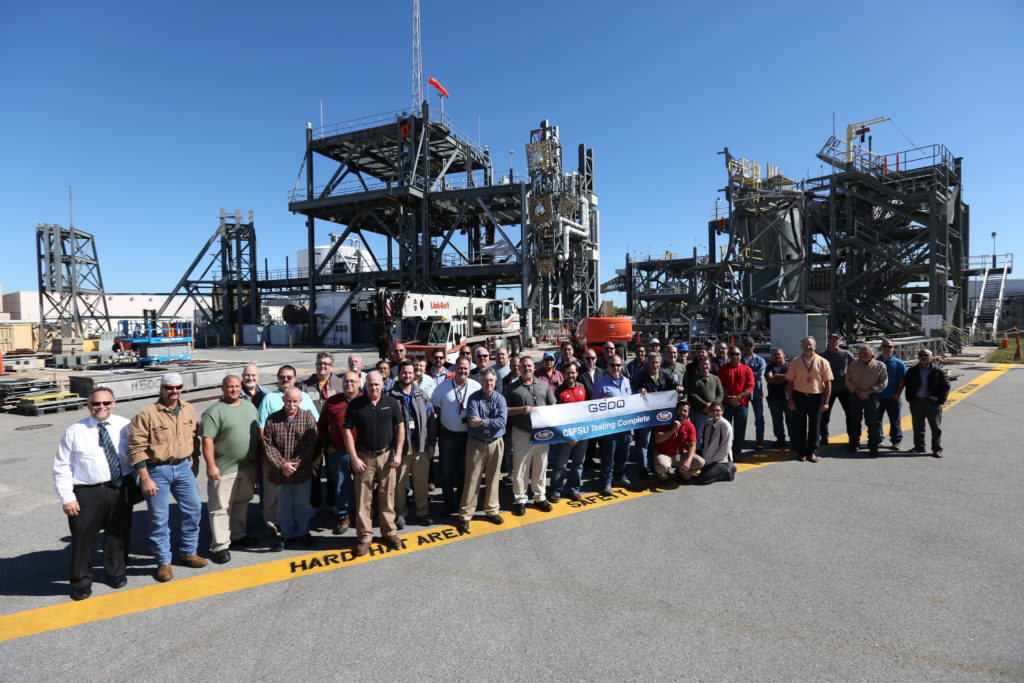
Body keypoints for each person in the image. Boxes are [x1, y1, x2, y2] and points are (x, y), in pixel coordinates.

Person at [53, 386, 135, 600]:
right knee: (83, 538)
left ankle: (116, 572)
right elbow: (62, 466)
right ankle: (81, 582)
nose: (101, 407)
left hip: (119, 487)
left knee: (117, 535)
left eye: (106, 403)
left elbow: (136, 455)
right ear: (88, 405)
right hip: (87, 492)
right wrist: (67, 497)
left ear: (113, 404)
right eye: (96, 403)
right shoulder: (75, 431)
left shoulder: (125, 426)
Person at [129, 372, 206, 582]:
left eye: (178, 387)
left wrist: (196, 462)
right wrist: (144, 477)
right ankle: (164, 562)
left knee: (194, 510)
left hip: (183, 467)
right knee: (158, 518)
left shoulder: (188, 408)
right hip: (157, 471)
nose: (174, 391)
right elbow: (136, 448)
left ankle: (189, 552)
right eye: (170, 388)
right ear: (161, 389)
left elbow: (194, 439)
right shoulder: (147, 415)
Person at [342, 371, 406, 556]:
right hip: (364, 456)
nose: (374, 387)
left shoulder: (391, 403)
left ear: (383, 384)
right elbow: (346, 430)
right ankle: (364, 537)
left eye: (377, 384)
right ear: (365, 385)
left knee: (387, 496)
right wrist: (353, 457)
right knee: (363, 499)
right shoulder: (356, 404)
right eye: (370, 384)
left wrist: (398, 453)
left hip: (387, 456)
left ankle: (389, 532)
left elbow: (400, 427)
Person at [199, 375, 259, 565]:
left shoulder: (250, 407)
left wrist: (256, 465)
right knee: (220, 508)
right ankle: (220, 545)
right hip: (224, 468)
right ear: (222, 388)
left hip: (247, 466)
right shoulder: (214, 411)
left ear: (240, 387)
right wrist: (211, 465)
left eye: (236, 386)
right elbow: (207, 440)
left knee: (242, 502)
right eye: (229, 386)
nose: (233, 389)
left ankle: (238, 535)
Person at [257, 365, 319, 538]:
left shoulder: (307, 418)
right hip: (280, 470)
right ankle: (287, 534)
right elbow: (268, 444)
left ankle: (303, 531)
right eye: (288, 401)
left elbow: (310, 442)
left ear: (300, 401)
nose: (291, 404)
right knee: (283, 505)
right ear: (283, 400)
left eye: (294, 401)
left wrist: (296, 463)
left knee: (302, 503)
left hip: (301, 469)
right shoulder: (272, 419)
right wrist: (282, 464)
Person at [457, 368, 507, 531]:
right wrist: (487, 421)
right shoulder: (473, 398)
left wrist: (483, 421)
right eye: (485, 380)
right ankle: (465, 515)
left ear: (495, 381)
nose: (489, 383)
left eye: (491, 380)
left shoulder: (500, 398)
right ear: (481, 381)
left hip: (495, 442)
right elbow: (472, 421)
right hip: (476, 444)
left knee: (493, 478)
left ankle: (492, 510)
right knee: (472, 479)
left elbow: (501, 422)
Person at [505, 355, 557, 514]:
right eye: (523, 366)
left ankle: (539, 497)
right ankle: (520, 499)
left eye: (529, 366)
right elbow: (504, 410)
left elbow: (553, 406)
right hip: (522, 433)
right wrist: (521, 410)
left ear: (534, 368)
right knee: (521, 467)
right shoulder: (512, 388)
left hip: (542, 434)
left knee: (541, 465)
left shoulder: (544, 384)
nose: (527, 369)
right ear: (518, 369)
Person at [389, 360, 437, 528]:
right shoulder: (390, 396)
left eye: (410, 372)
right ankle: (400, 514)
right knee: (399, 484)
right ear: (398, 374)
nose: (407, 375)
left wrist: (431, 444)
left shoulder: (421, 394)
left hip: (420, 447)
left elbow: (431, 421)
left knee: (421, 482)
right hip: (400, 449)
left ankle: (422, 511)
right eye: (404, 372)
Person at [431, 357, 480, 517]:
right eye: (460, 368)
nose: (463, 371)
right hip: (448, 436)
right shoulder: (443, 387)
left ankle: (461, 501)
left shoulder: (476, 386)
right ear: (454, 369)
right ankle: (448, 502)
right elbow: (436, 407)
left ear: (469, 370)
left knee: (465, 471)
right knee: (446, 471)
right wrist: (449, 419)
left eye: (466, 368)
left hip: (469, 436)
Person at [317, 371, 362, 535]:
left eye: (352, 381)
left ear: (359, 383)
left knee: (362, 485)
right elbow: (321, 425)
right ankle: (345, 516)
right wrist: (327, 445)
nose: (348, 384)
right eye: (345, 381)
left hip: (361, 453)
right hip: (339, 452)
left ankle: (362, 515)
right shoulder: (332, 402)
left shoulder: (366, 400)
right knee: (342, 486)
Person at [300, 351, 345, 511]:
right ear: (316, 365)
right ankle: (315, 503)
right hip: (312, 435)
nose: (323, 366)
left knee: (334, 469)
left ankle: (333, 502)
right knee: (313, 470)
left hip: (334, 434)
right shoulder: (305, 385)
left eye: (326, 363)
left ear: (331, 366)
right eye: (320, 363)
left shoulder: (340, 384)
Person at [630, 352, 681, 478]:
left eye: (657, 362)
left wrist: (678, 386)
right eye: (652, 362)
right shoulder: (641, 375)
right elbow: (631, 390)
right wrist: (638, 391)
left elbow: (674, 383)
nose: (655, 365)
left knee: (656, 441)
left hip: (660, 415)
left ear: (660, 362)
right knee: (644, 441)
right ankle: (643, 467)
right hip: (646, 414)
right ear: (648, 362)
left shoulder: (664, 373)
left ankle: (654, 465)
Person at [785, 336, 834, 462]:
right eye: (805, 345)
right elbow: (790, 383)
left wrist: (826, 401)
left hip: (816, 397)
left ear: (815, 346)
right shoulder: (795, 362)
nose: (808, 347)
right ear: (801, 347)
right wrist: (790, 400)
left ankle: (812, 452)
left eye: (810, 345)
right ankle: (801, 452)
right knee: (799, 426)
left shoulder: (823, 362)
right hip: (799, 396)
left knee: (814, 426)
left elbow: (828, 383)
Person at [549, 363, 589, 502]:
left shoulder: (582, 387)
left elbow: (588, 409)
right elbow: (557, 418)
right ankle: (556, 491)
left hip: (582, 434)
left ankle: (574, 489)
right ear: (563, 374)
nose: (570, 375)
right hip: (565, 436)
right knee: (560, 466)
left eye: (573, 373)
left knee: (578, 464)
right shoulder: (558, 392)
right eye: (567, 373)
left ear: (577, 373)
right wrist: (567, 435)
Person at [593, 355, 632, 494]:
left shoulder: (626, 381)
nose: (616, 368)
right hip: (610, 427)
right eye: (612, 365)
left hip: (626, 425)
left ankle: (620, 477)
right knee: (608, 456)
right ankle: (606, 482)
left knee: (624, 453)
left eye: (618, 365)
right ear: (607, 367)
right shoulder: (601, 384)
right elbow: (595, 409)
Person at [904, 348, 949, 458]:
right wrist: (910, 399)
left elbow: (946, 387)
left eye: (926, 355)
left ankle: (937, 449)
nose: (923, 357)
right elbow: (908, 386)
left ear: (931, 357)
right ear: (918, 357)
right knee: (918, 427)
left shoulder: (938, 371)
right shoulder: (912, 371)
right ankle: (919, 447)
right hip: (917, 403)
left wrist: (940, 401)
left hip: (932, 403)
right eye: (920, 355)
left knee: (935, 428)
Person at [844, 344, 888, 457]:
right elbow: (848, 380)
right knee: (854, 422)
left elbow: (884, 382)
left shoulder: (880, 366)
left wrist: (869, 391)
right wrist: (857, 391)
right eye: (861, 353)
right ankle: (853, 445)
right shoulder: (852, 365)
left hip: (871, 397)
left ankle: (873, 447)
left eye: (866, 352)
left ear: (872, 354)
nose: (864, 354)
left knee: (873, 423)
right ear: (858, 355)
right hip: (855, 396)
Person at [717, 345, 755, 459]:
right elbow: (720, 385)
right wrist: (729, 397)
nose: (735, 356)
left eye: (737, 354)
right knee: (725, 429)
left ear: (741, 355)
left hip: (741, 405)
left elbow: (750, 387)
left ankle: (737, 451)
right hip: (726, 404)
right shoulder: (723, 369)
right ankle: (725, 452)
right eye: (732, 354)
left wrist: (738, 397)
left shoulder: (747, 369)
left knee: (740, 429)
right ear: (728, 356)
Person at [652, 401, 702, 485]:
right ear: (675, 410)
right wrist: (674, 429)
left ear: (689, 412)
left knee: (700, 462)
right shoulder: (665, 421)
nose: (682, 413)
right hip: (664, 454)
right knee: (661, 466)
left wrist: (688, 461)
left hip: (680, 454)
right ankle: (664, 477)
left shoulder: (690, 426)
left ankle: (681, 475)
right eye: (680, 410)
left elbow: (692, 445)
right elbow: (658, 439)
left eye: (685, 411)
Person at [819, 334, 855, 446]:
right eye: (832, 340)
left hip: (845, 389)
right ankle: (824, 436)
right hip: (827, 390)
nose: (834, 342)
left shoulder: (847, 354)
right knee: (824, 415)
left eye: (836, 340)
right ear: (828, 341)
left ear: (839, 341)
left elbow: (854, 370)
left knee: (850, 414)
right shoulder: (822, 356)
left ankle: (852, 437)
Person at [875, 339, 908, 450]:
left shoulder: (899, 363)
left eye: (890, 346)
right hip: (878, 397)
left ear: (893, 348)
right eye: (885, 346)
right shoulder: (875, 362)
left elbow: (902, 380)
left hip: (893, 397)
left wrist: (898, 393)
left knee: (895, 420)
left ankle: (896, 441)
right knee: (876, 419)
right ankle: (879, 439)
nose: (887, 348)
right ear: (881, 348)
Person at [695, 403, 736, 484]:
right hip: (709, 459)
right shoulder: (708, 423)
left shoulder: (725, 425)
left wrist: (712, 462)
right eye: (712, 410)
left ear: (722, 412)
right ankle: (728, 468)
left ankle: (727, 472)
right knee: (700, 470)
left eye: (717, 410)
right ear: (709, 412)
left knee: (702, 480)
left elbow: (726, 448)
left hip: (721, 461)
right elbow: (705, 444)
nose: (715, 412)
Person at [688, 358, 724, 449]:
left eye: (707, 364)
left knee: (713, 435)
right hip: (699, 413)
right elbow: (693, 394)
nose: (705, 366)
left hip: (713, 414)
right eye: (703, 364)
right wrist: (705, 405)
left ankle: (711, 453)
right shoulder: (694, 379)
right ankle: (698, 453)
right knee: (698, 436)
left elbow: (720, 394)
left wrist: (712, 405)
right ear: (699, 366)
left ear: (710, 365)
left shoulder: (715, 379)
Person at [765, 348, 794, 448]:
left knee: (791, 421)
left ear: (784, 355)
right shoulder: (769, 366)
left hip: (789, 398)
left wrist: (776, 376)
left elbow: (792, 377)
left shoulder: (790, 365)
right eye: (774, 355)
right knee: (777, 421)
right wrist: (785, 378)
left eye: (779, 354)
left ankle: (793, 440)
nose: (777, 356)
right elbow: (769, 379)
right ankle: (780, 440)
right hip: (774, 398)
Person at [740, 340, 767, 449]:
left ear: (754, 346)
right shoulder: (739, 359)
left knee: (759, 418)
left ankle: (759, 442)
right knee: (741, 418)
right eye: (746, 345)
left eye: (750, 345)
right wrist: (751, 373)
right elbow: (737, 374)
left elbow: (760, 374)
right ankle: (740, 441)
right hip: (743, 393)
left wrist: (744, 373)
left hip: (756, 393)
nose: (748, 347)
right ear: (743, 346)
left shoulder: (760, 360)